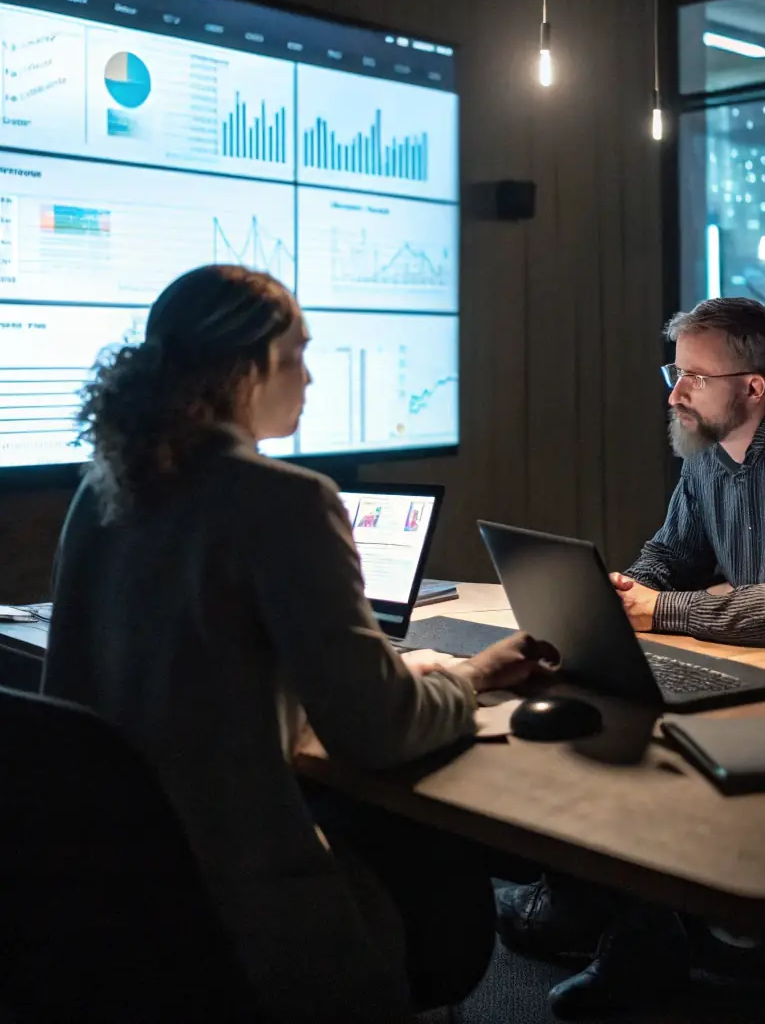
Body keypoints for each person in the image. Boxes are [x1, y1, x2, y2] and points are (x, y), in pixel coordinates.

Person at [42, 264, 555, 1024]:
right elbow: (376, 729)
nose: (311, 377)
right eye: (297, 354)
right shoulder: (284, 499)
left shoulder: (104, 487)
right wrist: (472, 675)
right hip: (243, 908)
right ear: (243, 369)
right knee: (437, 873)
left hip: (104, 898)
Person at [499, 296, 765, 1020]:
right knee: (598, 705)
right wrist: (627, 589)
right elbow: (671, 552)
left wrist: (660, 610)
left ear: (753, 387)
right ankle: (610, 918)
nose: (675, 391)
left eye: (693, 375)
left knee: (647, 744)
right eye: (673, 371)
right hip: (754, 665)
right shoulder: (708, 448)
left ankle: (616, 931)